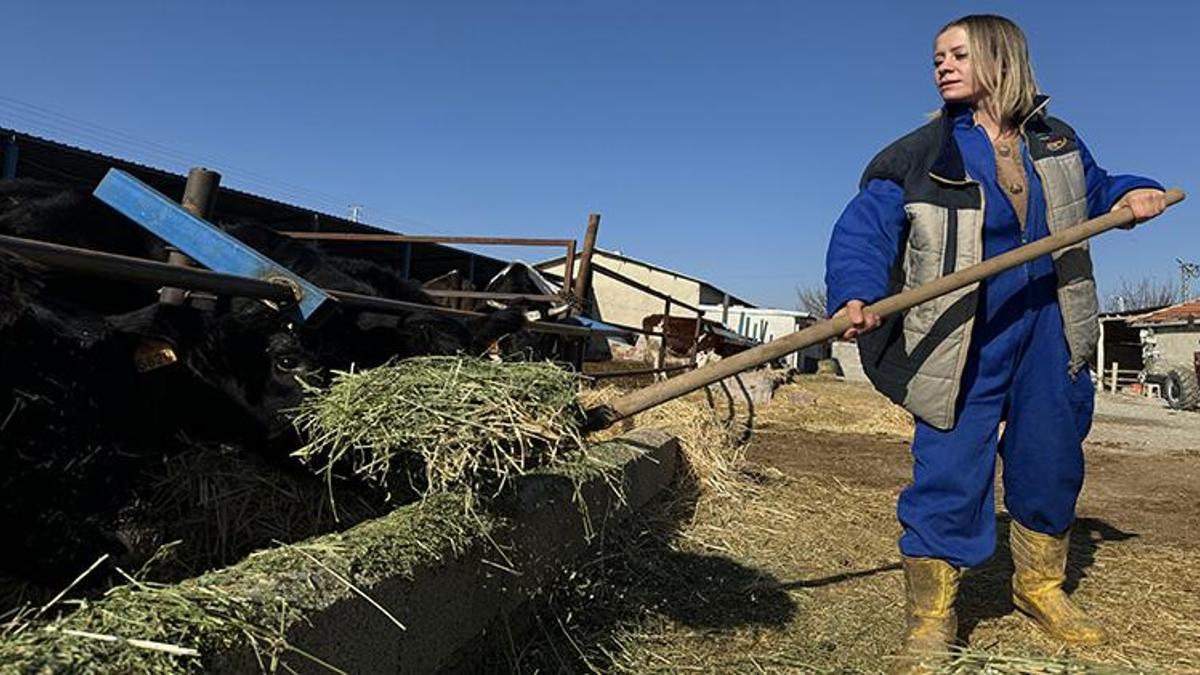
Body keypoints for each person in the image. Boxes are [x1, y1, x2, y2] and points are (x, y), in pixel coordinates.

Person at [823, 14, 1167, 671]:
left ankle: (1038, 586)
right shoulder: (921, 154)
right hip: (962, 331)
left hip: (1047, 321)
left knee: (1051, 454)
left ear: (1000, 59)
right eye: (936, 58)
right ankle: (930, 618)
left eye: (957, 54)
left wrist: (1133, 192)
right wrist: (854, 291)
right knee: (949, 463)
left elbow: (1097, 191)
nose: (942, 66)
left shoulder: (1057, 142)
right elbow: (864, 226)